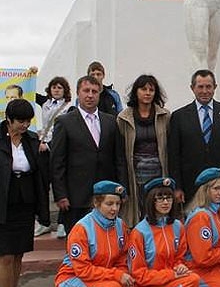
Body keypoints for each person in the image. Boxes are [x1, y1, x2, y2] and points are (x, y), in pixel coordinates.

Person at [128, 177, 212, 287]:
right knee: (192, 280)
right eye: (159, 198)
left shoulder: (178, 226)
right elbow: (138, 275)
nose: (165, 202)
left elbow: (180, 258)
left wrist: (180, 267)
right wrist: (172, 275)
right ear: (150, 201)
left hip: (174, 284)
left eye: (169, 197)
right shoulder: (139, 232)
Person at [55, 180, 139, 287]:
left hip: (101, 281)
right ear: (96, 203)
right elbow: (83, 271)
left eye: (118, 204)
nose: (114, 209)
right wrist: (117, 276)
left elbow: (122, 259)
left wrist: (123, 275)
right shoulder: (82, 229)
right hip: (71, 281)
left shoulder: (120, 225)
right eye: (109, 204)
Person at [51, 75, 127, 234]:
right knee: (78, 241)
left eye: (94, 91)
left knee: (106, 240)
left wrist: (121, 188)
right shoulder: (64, 122)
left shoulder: (111, 122)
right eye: (86, 91)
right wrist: (60, 194)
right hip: (76, 198)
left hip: (107, 196)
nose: (90, 95)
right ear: (78, 93)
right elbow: (57, 162)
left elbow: (119, 159)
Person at [0, 99, 47, 287]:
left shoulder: (32, 140)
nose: (25, 125)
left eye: (28, 121)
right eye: (20, 121)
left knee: (18, 255)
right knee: (6, 256)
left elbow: (39, 171)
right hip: (4, 203)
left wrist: (44, 153)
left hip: (25, 202)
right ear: (8, 119)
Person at [168, 69, 220, 201]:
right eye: (200, 87)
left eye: (208, 86)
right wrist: (177, 187)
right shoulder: (179, 116)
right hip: (191, 185)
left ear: (215, 87)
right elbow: (174, 156)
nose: (204, 91)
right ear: (192, 88)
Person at [117, 74, 170, 227]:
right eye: (143, 89)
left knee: (157, 209)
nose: (147, 93)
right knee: (138, 211)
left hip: (159, 172)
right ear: (136, 91)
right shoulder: (123, 118)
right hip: (135, 174)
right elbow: (120, 151)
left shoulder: (165, 116)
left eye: (151, 90)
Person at [34, 76, 72, 238]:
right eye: (54, 87)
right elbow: (28, 91)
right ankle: (44, 221)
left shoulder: (70, 107)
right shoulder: (46, 103)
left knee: (61, 185)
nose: (56, 90)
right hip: (43, 149)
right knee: (42, 186)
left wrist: (49, 144)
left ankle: (63, 222)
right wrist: (32, 73)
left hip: (59, 148)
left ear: (65, 90)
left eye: (59, 87)